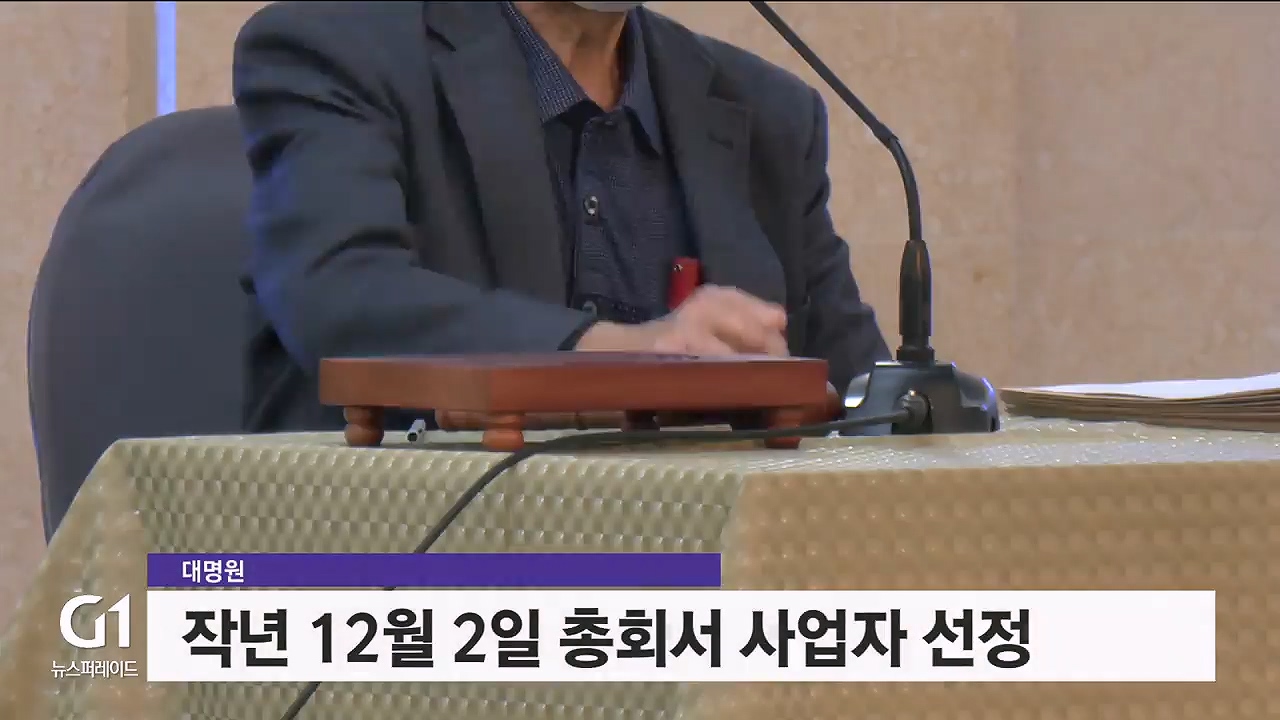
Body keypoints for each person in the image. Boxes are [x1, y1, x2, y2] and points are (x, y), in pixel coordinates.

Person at [232, 0, 890, 432]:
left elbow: (864, 395)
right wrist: (622, 354)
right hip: (413, 561)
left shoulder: (766, 111)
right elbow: (338, 292)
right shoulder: (334, 51)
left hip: (698, 572)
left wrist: (911, 408)